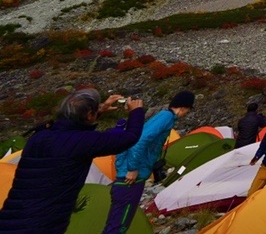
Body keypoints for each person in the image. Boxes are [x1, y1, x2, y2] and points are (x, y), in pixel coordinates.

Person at [0, 90, 145, 232]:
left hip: (9, 218)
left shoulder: (39, 136)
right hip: (43, 223)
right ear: (88, 115)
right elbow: (128, 138)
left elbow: (73, 128)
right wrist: (136, 112)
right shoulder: (82, 142)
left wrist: (99, 110)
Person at [103, 90, 194, 233]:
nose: (186, 114)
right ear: (184, 107)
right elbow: (140, 140)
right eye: (188, 110)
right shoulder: (166, 117)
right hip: (131, 177)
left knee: (120, 222)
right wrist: (133, 168)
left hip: (134, 174)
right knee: (119, 224)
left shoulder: (165, 117)